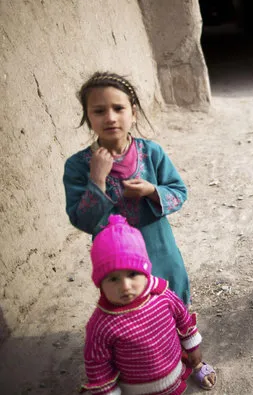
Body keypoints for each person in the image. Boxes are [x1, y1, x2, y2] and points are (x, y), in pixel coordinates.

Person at [63, 72, 191, 304]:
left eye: (118, 108)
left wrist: (151, 191)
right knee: (130, 312)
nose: (110, 118)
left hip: (160, 248)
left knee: (170, 302)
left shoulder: (151, 153)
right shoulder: (77, 166)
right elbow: (81, 220)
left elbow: (179, 193)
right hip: (117, 263)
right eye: (99, 111)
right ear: (88, 117)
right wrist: (97, 180)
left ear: (133, 113)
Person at [81, 214, 216, 394]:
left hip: (175, 371)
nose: (125, 286)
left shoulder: (162, 295)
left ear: (145, 272)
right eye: (113, 279)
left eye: (132, 274)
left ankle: (196, 367)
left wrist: (194, 353)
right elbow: (98, 367)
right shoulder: (101, 325)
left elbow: (184, 321)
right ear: (100, 283)